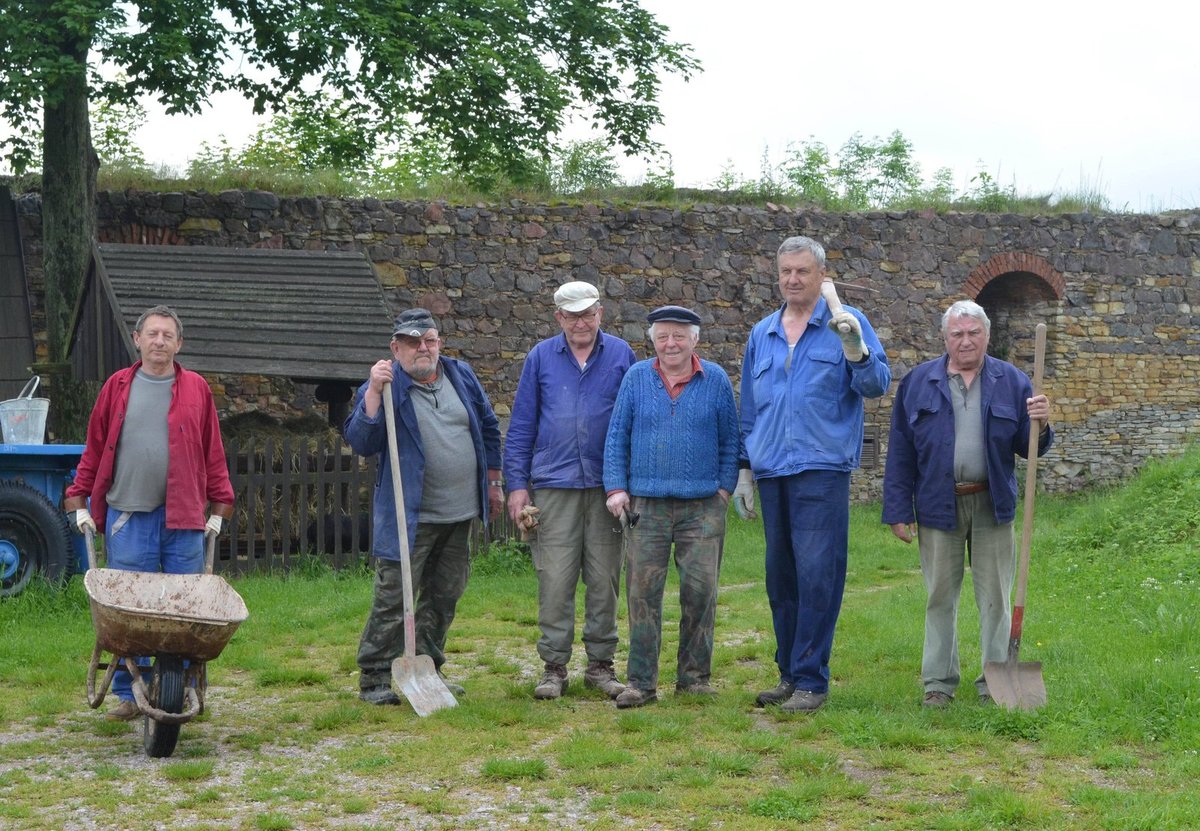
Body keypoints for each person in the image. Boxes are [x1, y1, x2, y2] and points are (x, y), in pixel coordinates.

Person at [738, 236, 891, 713]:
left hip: (821, 470)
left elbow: (877, 386)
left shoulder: (847, 322)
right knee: (780, 576)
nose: (792, 280)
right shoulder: (761, 333)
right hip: (772, 471)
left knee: (818, 575)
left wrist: (856, 350)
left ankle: (812, 680)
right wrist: (744, 470)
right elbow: (750, 409)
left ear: (822, 275)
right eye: (785, 271)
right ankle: (788, 673)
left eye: (802, 272)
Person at [64, 305, 234, 721]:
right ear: (137, 340)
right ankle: (128, 692)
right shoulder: (117, 387)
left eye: (168, 335)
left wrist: (219, 507)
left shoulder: (196, 389)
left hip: (185, 519)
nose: (159, 341)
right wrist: (78, 499)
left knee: (184, 611)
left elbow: (213, 451)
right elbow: (96, 447)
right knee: (130, 613)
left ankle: (179, 683)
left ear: (179, 344)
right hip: (129, 516)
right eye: (152, 334)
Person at [882, 300, 1053, 707]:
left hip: (992, 502)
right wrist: (897, 508)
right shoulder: (918, 382)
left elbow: (1030, 449)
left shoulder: (1012, 381)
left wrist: (1043, 424)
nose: (965, 341)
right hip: (938, 503)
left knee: (995, 595)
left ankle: (994, 681)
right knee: (940, 594)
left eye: (973, 333)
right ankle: (938, 683)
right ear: (945, 338)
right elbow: (901, 450)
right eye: (957, 334)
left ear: (987, 336)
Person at [344, 308, 502, 705]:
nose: (423, 348)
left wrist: (494, 483)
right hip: (410, 516)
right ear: (396, 348)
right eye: (413, 342)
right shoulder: (385, 384)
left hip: (459, 512)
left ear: (439, 343)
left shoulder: (461, 375)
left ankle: (429, 667)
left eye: (429, 339)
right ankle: (375, 676)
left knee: (445, 594)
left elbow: (487, 426)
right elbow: (361, 441)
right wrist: (373, 395)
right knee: (395, 596)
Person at [504, 281, 636, 700]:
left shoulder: (621, 355)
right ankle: (554, 668)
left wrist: (630, 482)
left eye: (588, 313)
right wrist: (516, 487)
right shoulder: (540, 357)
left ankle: (601, 666)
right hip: (554, 486)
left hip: (606, 486)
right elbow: (522, 424)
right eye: (572, 315)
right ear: (558, 317)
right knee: (555, 579)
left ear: (601, 313)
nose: (581, 322)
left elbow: (633, 420)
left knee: (604, 579)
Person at [603, 305, 740, 709]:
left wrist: (724, 491)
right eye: (662, 336)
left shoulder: (714, 379)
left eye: (679, 335)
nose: (671, 343)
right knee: (642, 595)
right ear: (653, 341)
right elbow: (617, 436)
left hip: (702, 506)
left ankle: (694, 679)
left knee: (701, 593)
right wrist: (616, 488)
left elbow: (731, 440)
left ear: (695, 339)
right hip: (647, 506)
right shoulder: (636, 378)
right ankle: (641, 683)